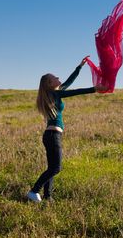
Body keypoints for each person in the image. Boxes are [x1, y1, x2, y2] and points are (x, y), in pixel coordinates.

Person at [27, 56, 106, 203]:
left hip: (51, 135)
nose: (58, 78)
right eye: (55, 77)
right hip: (52, 135)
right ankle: (33, 191)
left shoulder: (53, 94)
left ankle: (48, 197)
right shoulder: (55, 94)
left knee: (51, 167)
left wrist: (80, 66)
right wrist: (95, 89)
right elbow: (75, 91)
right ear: (50, 84)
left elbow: (70, 81)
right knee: (56, 168)